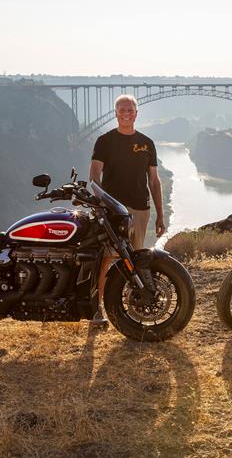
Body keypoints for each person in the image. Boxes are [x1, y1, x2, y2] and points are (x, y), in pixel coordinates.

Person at [88, 94, 165, 326]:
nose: (126, 113)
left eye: (130, 110)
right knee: (105, 260)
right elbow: (94, 176)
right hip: (113, 212)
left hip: (141, 210)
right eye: (122, 110)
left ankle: (134, 311)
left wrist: (160, 215)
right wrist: (101, 205)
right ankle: (97, 310)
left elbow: (154, 181)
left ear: (136, 113)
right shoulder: (104, 141)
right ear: (115, 113)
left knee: (136, 260)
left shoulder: (147, 143)